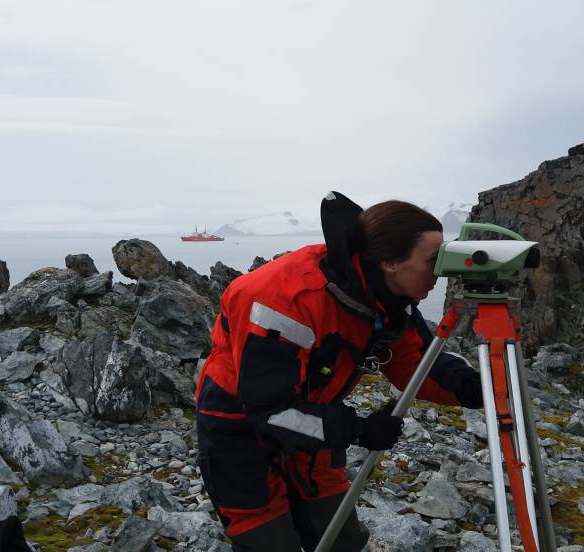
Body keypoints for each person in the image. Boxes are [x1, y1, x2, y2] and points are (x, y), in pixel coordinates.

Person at [195, 191, 483, 551]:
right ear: (391, 262)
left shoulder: (388, 300)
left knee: (340, 538)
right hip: (237, 424)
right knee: (267, 540)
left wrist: (475, 388)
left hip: (312, 420)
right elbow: (270, 409)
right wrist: (359, 429)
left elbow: (417, 364)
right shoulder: (285, 299)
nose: (438, 274)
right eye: (431, 261)